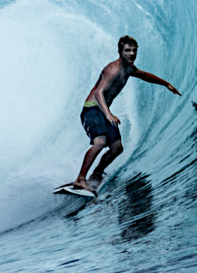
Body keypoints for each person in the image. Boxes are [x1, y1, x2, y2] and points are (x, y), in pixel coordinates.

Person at [68, 35, 181, 196]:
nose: (132, 54)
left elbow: (145, 75)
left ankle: (97, 173)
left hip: (103, 111)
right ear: (120, 52)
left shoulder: (129, 69)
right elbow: (99, 93)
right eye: (127, 50)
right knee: (100, 142)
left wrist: (166, 84)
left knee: (117, 148)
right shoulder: (112, 69)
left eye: (134, 50)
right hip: (92, 109)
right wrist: (108, 114)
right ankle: (80, 179)